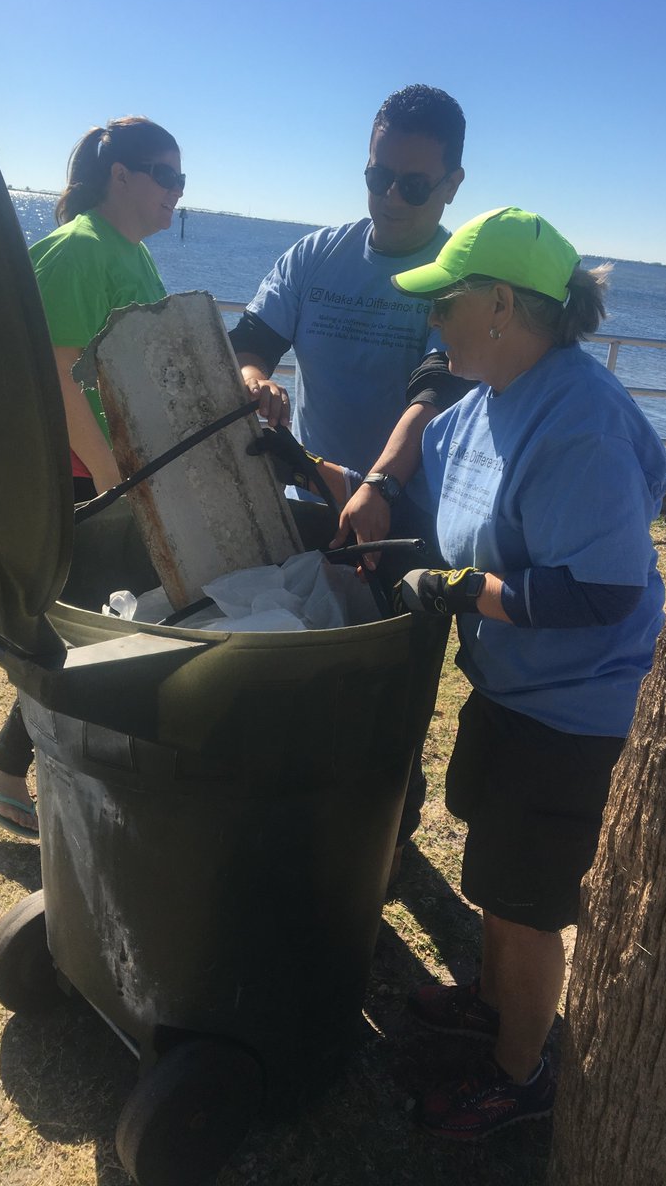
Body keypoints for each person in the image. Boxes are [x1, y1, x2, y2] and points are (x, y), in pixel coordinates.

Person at [388, 207, 666, 1138]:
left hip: (574, 713)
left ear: (502, 304)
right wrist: (332, 473)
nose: (433, 321)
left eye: (445, 304)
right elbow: (436, 492)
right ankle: (496, 1007)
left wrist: (468, 591)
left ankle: (520, 1075)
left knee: (527, 899)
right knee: (496, 882)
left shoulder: (581, 419)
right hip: (514, 690)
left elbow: (601, 591)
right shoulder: (488, 398)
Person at [229, 84, 471, 864]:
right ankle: (304, 817)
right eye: (377, 176)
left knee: (398, 690)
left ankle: (383, 838)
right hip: (315, 501)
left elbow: (437, 395)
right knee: (306, 668)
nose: (390, 198)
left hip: (421, 521)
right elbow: (250, 341)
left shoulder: (459, 274)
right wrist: (254, 380)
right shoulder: (316, 256)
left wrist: (383, 483)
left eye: (413, 184)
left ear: (452, 185)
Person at [0, 116, 185, 836]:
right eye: (166, 175)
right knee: (78, 632)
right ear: (118, 176)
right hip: (77, 480)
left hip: (117, 473)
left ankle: (32, 762)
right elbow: (60, 380)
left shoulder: (133, 257)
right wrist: (116, 474)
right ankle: (7, 767)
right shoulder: (77, 250)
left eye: (183, 180)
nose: (177, 193)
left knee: (103, 627)